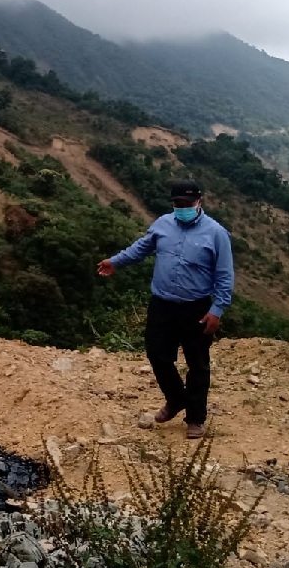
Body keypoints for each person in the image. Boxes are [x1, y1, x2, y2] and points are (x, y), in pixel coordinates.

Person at [97, 180, 234, 440]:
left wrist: (217, 310)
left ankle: (195, 418)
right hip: (162, 304)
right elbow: (141, 249)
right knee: (157, 355)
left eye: (187, 204)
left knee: (198, 364)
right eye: (178, 204)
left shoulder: (216, 233)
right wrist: (115, 261)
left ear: (199, 203)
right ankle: (176, 399)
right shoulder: (163, 224)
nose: (182, 208)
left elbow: (225, 276)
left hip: (197, 308)